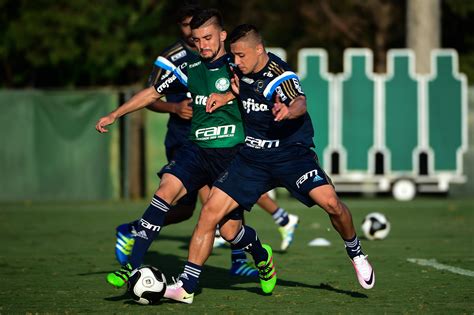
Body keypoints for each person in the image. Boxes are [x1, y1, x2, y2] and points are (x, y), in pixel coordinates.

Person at [164, 24, 375, 304]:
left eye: (240, 56)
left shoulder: (280, 75)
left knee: (332, 204)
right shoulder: (239, 69)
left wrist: (288, 110)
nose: (235, 62)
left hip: (291, 155)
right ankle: (186, 286)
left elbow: (300, 101)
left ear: (259, 50)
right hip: (252, 157)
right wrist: (227, 96)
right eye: (233, 56)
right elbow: (244, 94)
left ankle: (356, 252)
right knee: (211, 216)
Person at [95, 9, 277, 297]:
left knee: (230, 233)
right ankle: (131, 267)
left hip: (232, 156)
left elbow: (266, 86)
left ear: (222, 35)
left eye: (208, 37)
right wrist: (115, 114)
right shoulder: (189, 68)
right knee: (164, 191)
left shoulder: (238, 65)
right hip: (195, 150)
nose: (203, 45)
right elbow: (153, 92)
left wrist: (234, 96)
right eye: (197, 39)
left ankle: (261, 256)